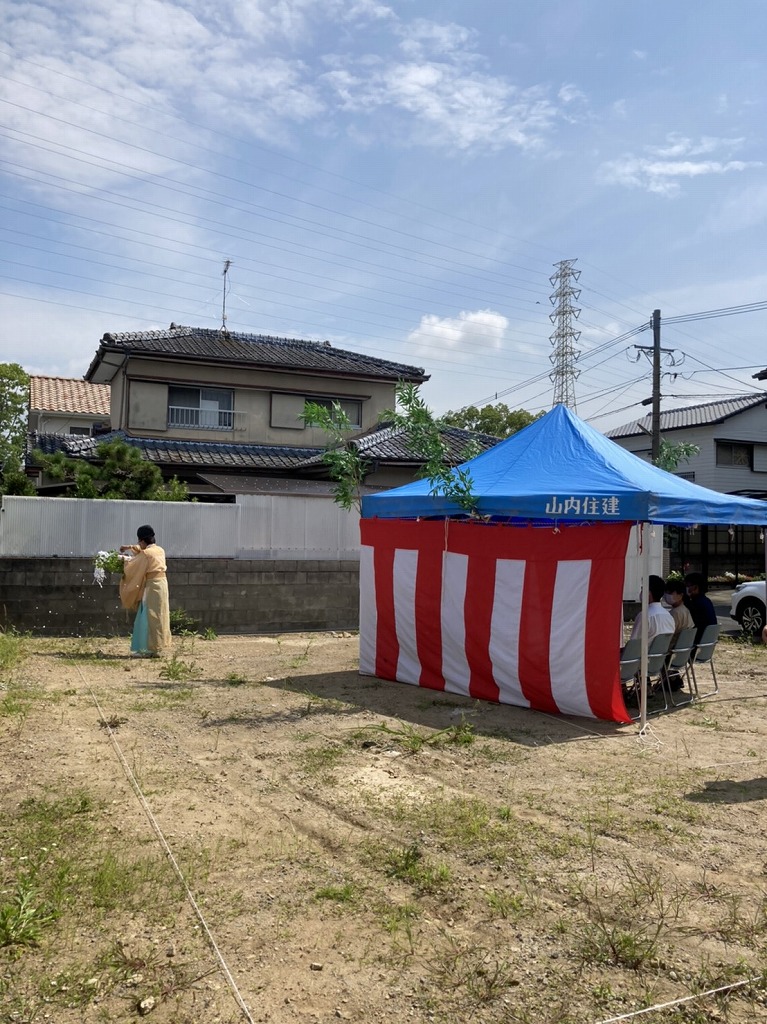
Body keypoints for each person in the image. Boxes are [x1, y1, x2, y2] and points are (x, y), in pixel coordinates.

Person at [119, 525, 171, 658]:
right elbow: (141, 552)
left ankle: (147, 648)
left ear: (142, 541)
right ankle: (157, 646)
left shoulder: (146, 554)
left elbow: (135, 563)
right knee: (160, 615)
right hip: (162, 584)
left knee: (148, 615)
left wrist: (123, 559)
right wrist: (130, 547)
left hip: (151, 586)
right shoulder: (160, 550)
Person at [663, 578, 695, 690]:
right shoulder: (685, 610)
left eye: (670, 592)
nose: (667, 595)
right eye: (666, 592)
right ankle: (673, 679)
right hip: (683, 652)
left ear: (681, 595)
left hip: (671, 652)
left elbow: (667, 636)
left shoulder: (675, 613)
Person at [630, 575, 675, 642]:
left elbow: (634, 643)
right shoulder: (669, 616)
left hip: (645, 652)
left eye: (642, 589)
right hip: (662, 652)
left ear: (648, 593)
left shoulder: (644, 616)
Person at [684, 572, 718, 644]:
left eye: (688, 585)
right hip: (707, 640)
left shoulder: (696, 604)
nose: (686, 588)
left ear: (696, 587)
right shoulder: (706, 601)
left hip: (697, 640)